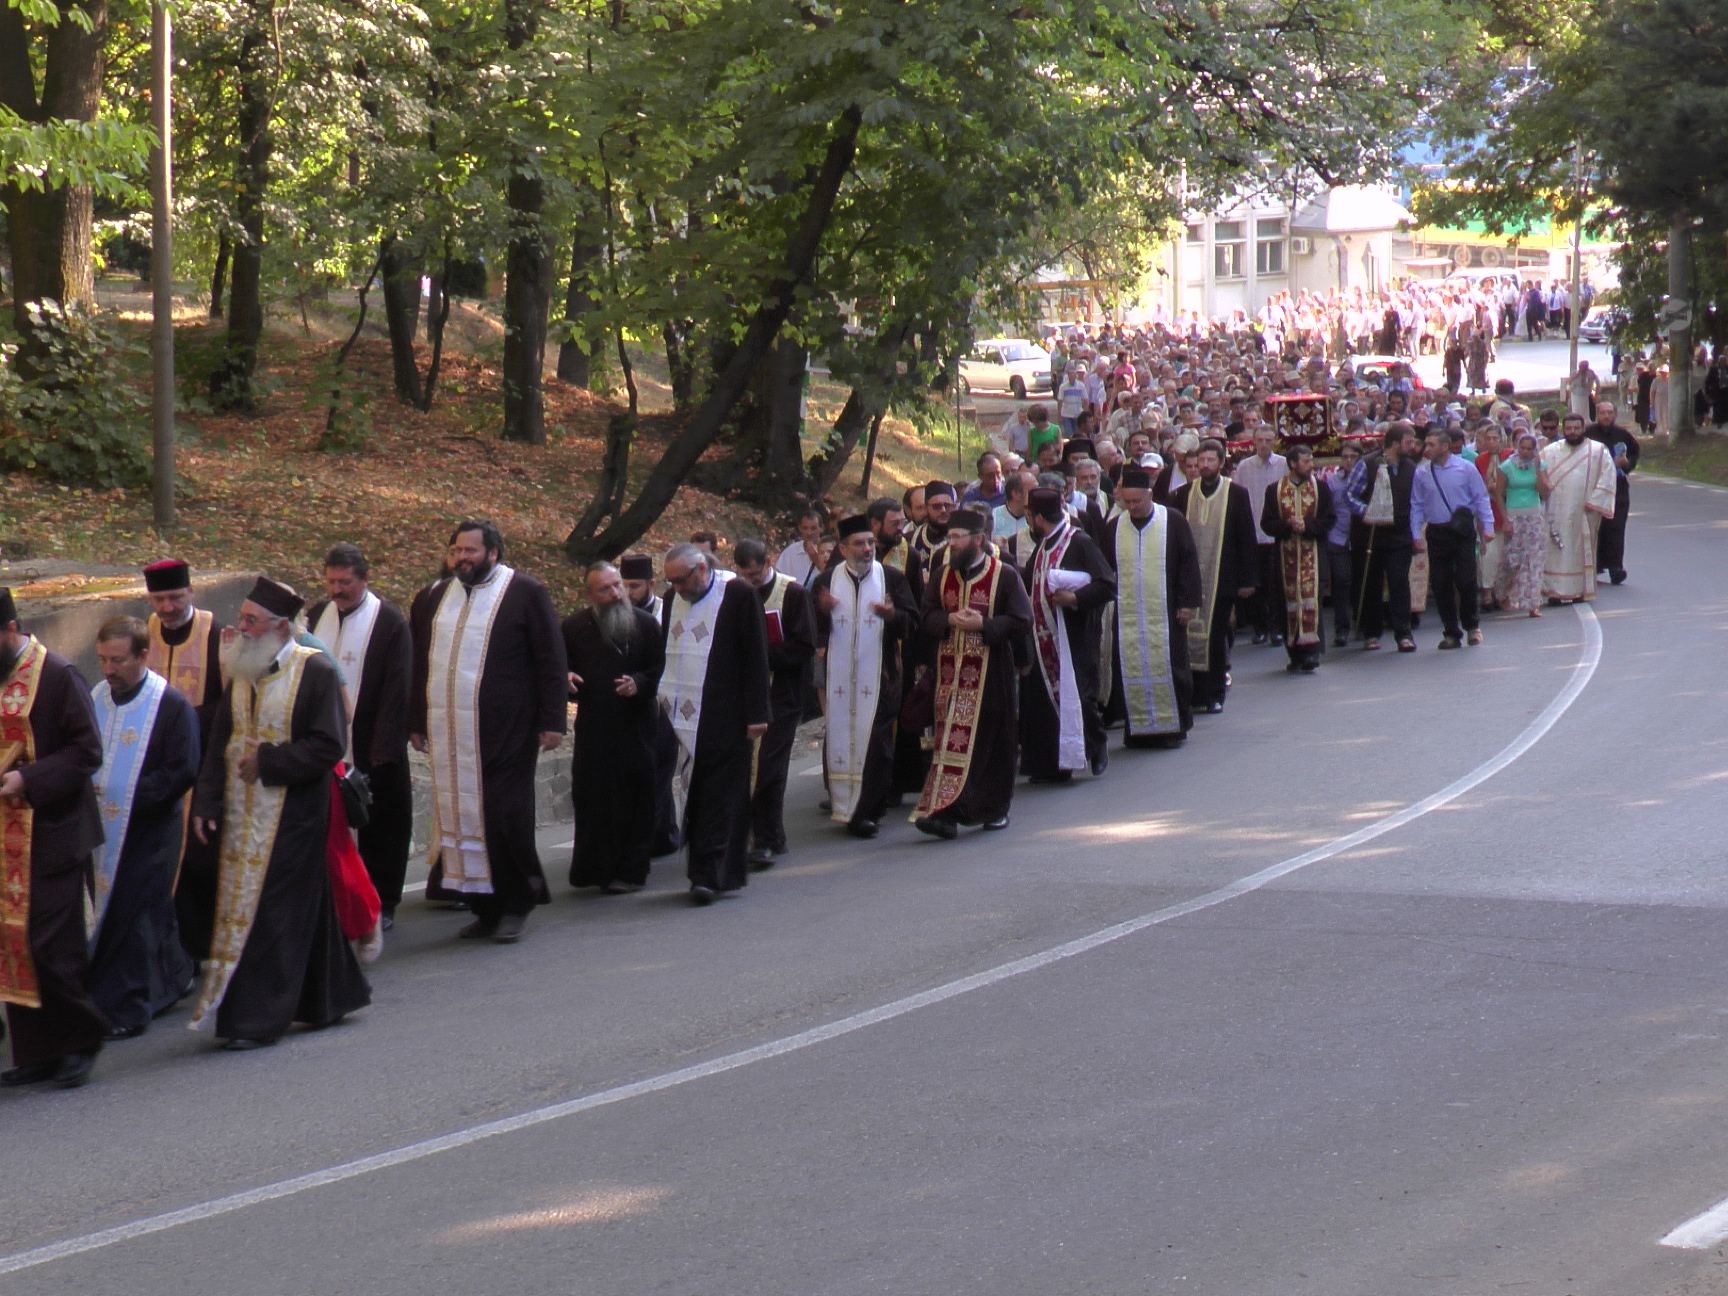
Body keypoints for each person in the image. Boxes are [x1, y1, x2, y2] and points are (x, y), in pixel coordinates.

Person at [188, 577, 370, 1050]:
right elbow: (221, 743)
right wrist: (206, 803)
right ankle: (330, 996)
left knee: (270, 912)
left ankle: (253, 1020)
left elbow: (330, 744)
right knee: (289, 908)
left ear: (281, 626)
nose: (241, 627)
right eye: (242, 617)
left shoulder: (316, 673)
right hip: (241, 814)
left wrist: (268, 762)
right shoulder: (243, 666)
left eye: (251, 620)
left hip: (294, 815)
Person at [409, 520, 568, 943]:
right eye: (457, 550)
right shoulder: (432, 598)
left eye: (471, 551)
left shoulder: (525, 592)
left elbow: (551, 658)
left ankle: (516, 903)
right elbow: (418, 664)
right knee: (464, 819)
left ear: (493, 553)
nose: (462, 557)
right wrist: (416, 720)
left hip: (509, 731)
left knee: (504, 817)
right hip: (450, 731)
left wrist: (553, 721)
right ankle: (484, 906)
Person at [0, 590, 110, 1087]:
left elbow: (87, 752)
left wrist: (29, 780)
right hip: (6, 837)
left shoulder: (59, 674)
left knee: (50, 945)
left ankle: (81, 1040)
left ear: (11, 629)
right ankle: (39, 1049)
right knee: (12, 944)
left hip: (54, 830)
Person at [86, 616, 199, 1041]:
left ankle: (129, 1008)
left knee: (136, 917)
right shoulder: (96, 697)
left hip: (150, 829)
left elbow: (183, 768)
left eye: (118, 660)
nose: (109, 670)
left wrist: (129, 793)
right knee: (126, 914)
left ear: (143, 656)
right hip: (101, 830)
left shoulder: (169, 706)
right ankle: (173, 977)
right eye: (102, 660)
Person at [305, 544, 413, 929]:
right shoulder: (317, 616)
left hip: (371, 741)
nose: (337, 589)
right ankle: (336, 899)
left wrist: (384, 747)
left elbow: (398, 689)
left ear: (365, 579)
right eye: (331, 581)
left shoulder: (389, 623)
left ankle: (383, 901)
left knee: (380, 825)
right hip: (325, 740)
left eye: (345, 582)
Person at [657, 543, 771, 904]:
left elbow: (756, 654)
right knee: (696, 794)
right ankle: (701, 870)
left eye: (681, 580)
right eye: (671, 581)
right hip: (686, 715)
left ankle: (713, 874)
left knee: (721, 797)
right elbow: (665, 651)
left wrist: (757, 714)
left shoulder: (736, 594)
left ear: (701, 568)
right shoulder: (672, 598)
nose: (676, 588)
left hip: (728, 712)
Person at [911, 510, 1032, 839]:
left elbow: (1022, 620)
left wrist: (985, 626)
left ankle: (993, 809)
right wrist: (949, 620)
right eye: (949, 538)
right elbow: (927, 614)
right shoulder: (942, 575)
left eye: (956, 538)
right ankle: (945, 812)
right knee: (949, 742)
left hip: (991, 674)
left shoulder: (1004, 575)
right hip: (949, 675)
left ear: (977, 539)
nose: (950, 544)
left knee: (992, 743)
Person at [812, 516, 919, 837]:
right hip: (840, 679)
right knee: (841, 733)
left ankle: (869, 811)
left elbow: (912, 623)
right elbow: (811, 629)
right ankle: (842, 803)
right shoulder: (827, 582)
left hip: (882, 676)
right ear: (843, 549)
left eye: (870, 542)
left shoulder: (892, 579)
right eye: (859, 544)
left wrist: (892, 615)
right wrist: (822, 611)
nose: (867, 549)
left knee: (876, 742)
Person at [142, 559, 226, 966]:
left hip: (208, 762)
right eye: (159, 599)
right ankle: (176, 951)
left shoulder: (216, 633)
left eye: (175, 597)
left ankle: (207, 946)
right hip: (161, 766)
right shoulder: (146, 633)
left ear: (191, 592)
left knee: (203, 858)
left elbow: (230, 705)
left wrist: (186, 722)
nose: (168, 607)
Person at [561, 563, 665, 892]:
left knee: (636, 795)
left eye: (617, 585)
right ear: (590, 594)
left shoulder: (647, 625)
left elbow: (660, 669)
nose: (616, 593)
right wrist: (566, 678)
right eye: (605, 589)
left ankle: (632, 871)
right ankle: (594, 868)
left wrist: (639, 683)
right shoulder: (574, 626)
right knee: (593, 796)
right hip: (594, 725)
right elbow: (561, 667)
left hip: (636, 724)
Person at [1020, 487, 1116, 782]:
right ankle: (1053, 764)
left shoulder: (1079, 541)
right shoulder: (1043, 546)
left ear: (1036, 517)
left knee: (1081, 697)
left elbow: (1107, 584)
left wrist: (1074, 599)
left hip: (1075, 634)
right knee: (1045, 701)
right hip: (1044, 637)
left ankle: (1096, 744)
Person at [1102, 467, 1202, 747]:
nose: (1132, 507)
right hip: (1129, 616)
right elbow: (1105, 568)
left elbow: (1188, 564)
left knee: (1172, 667)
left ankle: (1172, 727)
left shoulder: (1172, 521)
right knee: (1130, 668)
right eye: (1127, 502)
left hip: (1167, 611)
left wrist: (1187, 604)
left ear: (1149, 495)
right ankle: (1139, 728)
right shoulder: (1114, 528)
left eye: (1137, 502)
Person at [734, 539, 817, 869]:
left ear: (768, 561)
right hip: (746, 696)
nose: (751, 581)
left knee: (770, 767)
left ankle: (767, 838)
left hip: (783, 694)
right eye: (745, 575)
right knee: (746, 768)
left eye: (755, 575)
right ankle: (760, 834)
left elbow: (805, 645)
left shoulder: (792, 594)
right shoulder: (737, 593)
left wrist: (762, 655)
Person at [1170, 441, 1259, 713]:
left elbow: (1246, 537)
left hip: (1224, 577)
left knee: (1216, 635)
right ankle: (1194, 693)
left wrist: (1248, 580)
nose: (1205, 465)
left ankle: (1215, 691)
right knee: (1188, 637)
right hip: (1190, 580)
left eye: (1211, 460)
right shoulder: (1182, 494)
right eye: (1201, 461)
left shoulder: (1236, 493)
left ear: (1221, 463)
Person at [1410, 427, 1495, 648]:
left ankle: (1472, 625)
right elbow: (1417, 505)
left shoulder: (1465, 469)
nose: (1426, 449)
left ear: (1445, 447)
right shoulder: (1421, 473)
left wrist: (1487, 526)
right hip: (1437, 531)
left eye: (1431, 445)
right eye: (1425, 444)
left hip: (1461, 530)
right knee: (1440, 583)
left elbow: (1480, 498)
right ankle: (1450, 630)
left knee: (1466, 579)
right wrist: (1415, 534)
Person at [621, 554, 680, 857]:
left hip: (662, 705)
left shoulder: (665, 612)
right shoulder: (616, 615)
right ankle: (655, 832)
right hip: (630, 707)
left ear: (651, 584)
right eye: (623, 585)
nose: (627, 592)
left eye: (634, 585)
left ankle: (661, 832)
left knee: (660, 769)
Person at [1259, 445, 1335, 672]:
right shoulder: (1274, 490)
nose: (1310, 466)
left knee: (1312, 602)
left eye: (1311, 461)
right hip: (1285, 557)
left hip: (1313, 554)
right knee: (1287, 604)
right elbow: (1267, 523)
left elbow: (1329, 519)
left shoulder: (1321, 488)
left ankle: (1311, 653)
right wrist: (1287, 525)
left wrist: (1308, 526)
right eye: (1305, 462)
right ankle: (1294, 652)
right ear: (1293, 464)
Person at [1347, 423, 1419, 652]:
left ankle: (1403, 632)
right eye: (1408, 442)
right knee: (1371, 582)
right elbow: (1349, 494)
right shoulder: (1367, 463)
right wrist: (1366, 513)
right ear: (1395, 443)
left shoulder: (1410, 467)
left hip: (1399, 533)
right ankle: (1371, 631)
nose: (1413, 446)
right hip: (1371, 534)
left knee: (1399, 581)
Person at [1541, 413, 1617, 603]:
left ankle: (1579, 591)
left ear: (1583, 429)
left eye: (1576, 428)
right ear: (1563, 429)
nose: (1572, 432)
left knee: (1580, 550)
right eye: (1568, 429)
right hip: (1555, 511)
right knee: (1555, 550)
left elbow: (1608, 475)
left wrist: (1594, 502)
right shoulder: (1549, 452)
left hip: (1584, 511)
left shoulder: (1598, 451)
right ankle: (1554, 592)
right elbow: (1539, 478)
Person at [1230, 426, 1287, 645]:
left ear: (1275, 442)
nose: (1264, 444)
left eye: (1268, 440)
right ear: (1254, 442)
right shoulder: (1245, 466)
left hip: (1274, 534)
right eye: (1260, 440)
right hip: (1252, 533)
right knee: (1255, 585)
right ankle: (1260, 626)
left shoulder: (1282, 464)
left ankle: (1276, 628)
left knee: (1275, 585)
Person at [1493, 428, 1549, 616]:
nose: (1525, 452)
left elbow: (1545, 491)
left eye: (1529, 449)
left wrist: (1538, 469)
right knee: (1512, 560)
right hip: (1514, 516)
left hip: (1533, 517)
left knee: (1533, 560)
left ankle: (1533, 603)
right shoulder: (1506, 467)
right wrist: (1505, 520)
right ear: (1517, 448)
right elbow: (1499, 494)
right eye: (1522, 448)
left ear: (1534, 450)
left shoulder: (1538, 465)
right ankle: (1501, 593)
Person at [1588, 401, 1638, 585]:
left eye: (1610, 413)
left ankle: (1616, 567)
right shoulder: (1589, 435)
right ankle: (1596, 564)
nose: (1606, 416)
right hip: (1594, 487)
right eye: (1602, 413)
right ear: (1597, 415)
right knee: (1596, 526)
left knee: (1616, 527)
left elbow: (1634, 453)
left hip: (1618, 486)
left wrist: (1627, 463)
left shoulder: (1623, 435)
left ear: (1615, 415)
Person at [1322, 442, 1360, 647]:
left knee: (1360, 581)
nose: (1348, 461)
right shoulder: (1332, 481)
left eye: (1353, 457)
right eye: (1345, 457)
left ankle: (1361, 623)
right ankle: (1342, 628)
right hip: (1338, 536)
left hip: (1360, 536)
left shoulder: (1366, 479)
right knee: (1342, 581)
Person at [906, 481, 955, 569]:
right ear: (926, 508)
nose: (943, 510)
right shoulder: (909, 540)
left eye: (947, 506)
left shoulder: (964, 541)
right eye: (937, 506)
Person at [775, 508, 826, 590]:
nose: (809, 533)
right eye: (805, 528)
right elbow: (779, 579)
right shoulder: (790, 552)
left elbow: (835, 579)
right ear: (799, 528)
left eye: (813, 528)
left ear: (821, 528)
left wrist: (816, 560)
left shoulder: (829, 551)